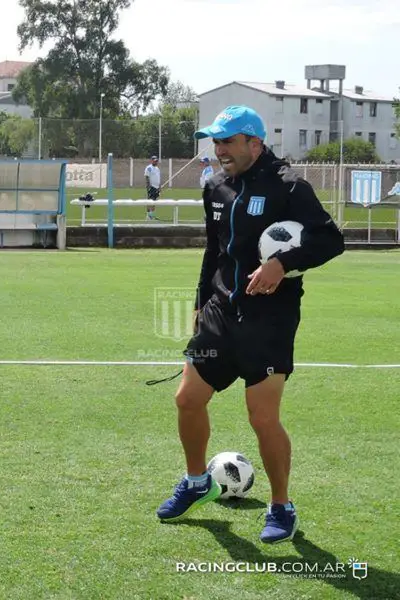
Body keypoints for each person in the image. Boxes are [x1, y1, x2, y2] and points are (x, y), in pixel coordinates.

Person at [155, 105, 344, 544]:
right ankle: (197, 482)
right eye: (215, 141)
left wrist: (282, 263)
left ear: (254, 143)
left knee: (262, 418)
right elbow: (213, 250)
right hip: (221, 311)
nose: (219, 150)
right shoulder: (215, 185)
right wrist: (202, 299)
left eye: (227, 141)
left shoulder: (289, 186)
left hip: (270, 319)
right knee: (187, 399)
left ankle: (282, 506)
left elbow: (331, 239)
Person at [144, 156, 161, 220]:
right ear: (151, 160)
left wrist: (159, 187)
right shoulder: (149, 168)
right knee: (149, 201)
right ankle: (148, 216)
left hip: (156, 187)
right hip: (151, 187)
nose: (156, 162)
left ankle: (152, 215)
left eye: (156, 161)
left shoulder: (157, 169)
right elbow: (147, 177)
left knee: (154, 201)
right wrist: (148, 187)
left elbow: (158, 178)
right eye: (154, 160)